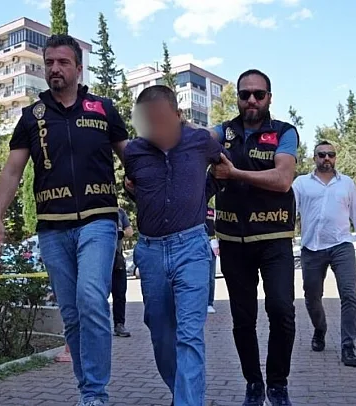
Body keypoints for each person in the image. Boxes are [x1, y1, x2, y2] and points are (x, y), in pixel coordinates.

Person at [0, 34, 128, 406]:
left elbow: (131, 157)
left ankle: (95, 394)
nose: (55, 69)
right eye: (49, 62)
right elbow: (12, 171)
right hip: (52, 227)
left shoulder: (103, 109)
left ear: (78, 68)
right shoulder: (31, 117)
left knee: (91, 299)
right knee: (72, 314)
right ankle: (87, 390)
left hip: (98, 220)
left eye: (63, 62)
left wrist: (148, 186)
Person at [124, 85, 226, 406]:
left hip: (191, 248)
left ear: (178, 116)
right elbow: (136, 189)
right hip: (151, 252)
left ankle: (187, 401)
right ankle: (181, 393)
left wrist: (203, 193)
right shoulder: (134, 151)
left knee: (189, 335)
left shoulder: (200, 141)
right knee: (161, 334)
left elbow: (224, 167)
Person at [207, 69, 299, 406]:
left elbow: (283, 179)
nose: (251, 100)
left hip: (274, 237)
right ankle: (254, 384)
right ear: (237, 98)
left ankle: (277, 383)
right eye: (244, 94)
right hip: (233, 241)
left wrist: (234, 173)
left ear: (269, 98)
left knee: (281, 310)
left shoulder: (284, 132)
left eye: (258, 94)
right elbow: (197, 139)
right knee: (243, 319)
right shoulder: (224, 131)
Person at [293, 140, 356, 368]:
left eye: (331, 154)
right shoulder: (301, 184)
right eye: (322, 154)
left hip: (341, 245)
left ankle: (348, 346)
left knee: (349, 295)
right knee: (312, 296)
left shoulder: (346, 183)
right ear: (314, 158)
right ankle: (320, 329)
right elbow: (289, 212)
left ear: (335, 157)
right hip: (312, 247)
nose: (326, 158)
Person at [112, 207, 133, 337]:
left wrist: (120, 233)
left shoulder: (120, 212)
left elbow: (129, 231)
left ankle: (119, 324)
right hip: (100, 257)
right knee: (97, 294)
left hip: (117, 257)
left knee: (120, 292)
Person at [206, 206, 219, 314]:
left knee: (210, 276)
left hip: (211, 243)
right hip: (197, 242)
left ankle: (209, 303)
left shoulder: (212, 208)